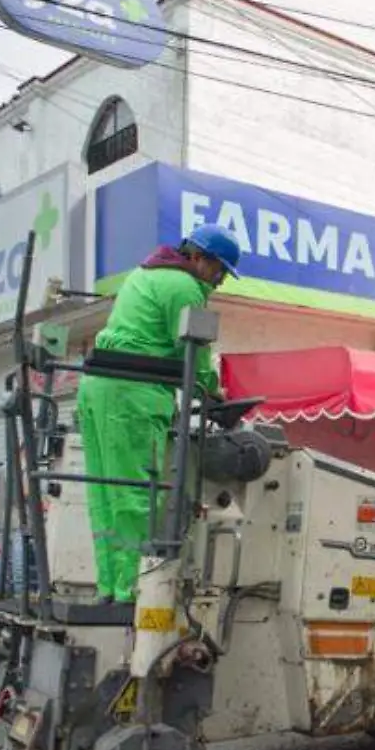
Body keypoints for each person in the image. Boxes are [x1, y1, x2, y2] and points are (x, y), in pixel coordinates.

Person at [76, 223, 240, 606]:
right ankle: (137, 588)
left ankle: (111, 588)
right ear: (199, 258)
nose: (220, 283)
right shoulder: (184, 287)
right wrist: (213, 390)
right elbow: (194, 355)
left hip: (98, 386)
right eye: (219, 272)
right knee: (137, 492)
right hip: (133, 393)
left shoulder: (145, 274)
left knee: (106, 492)